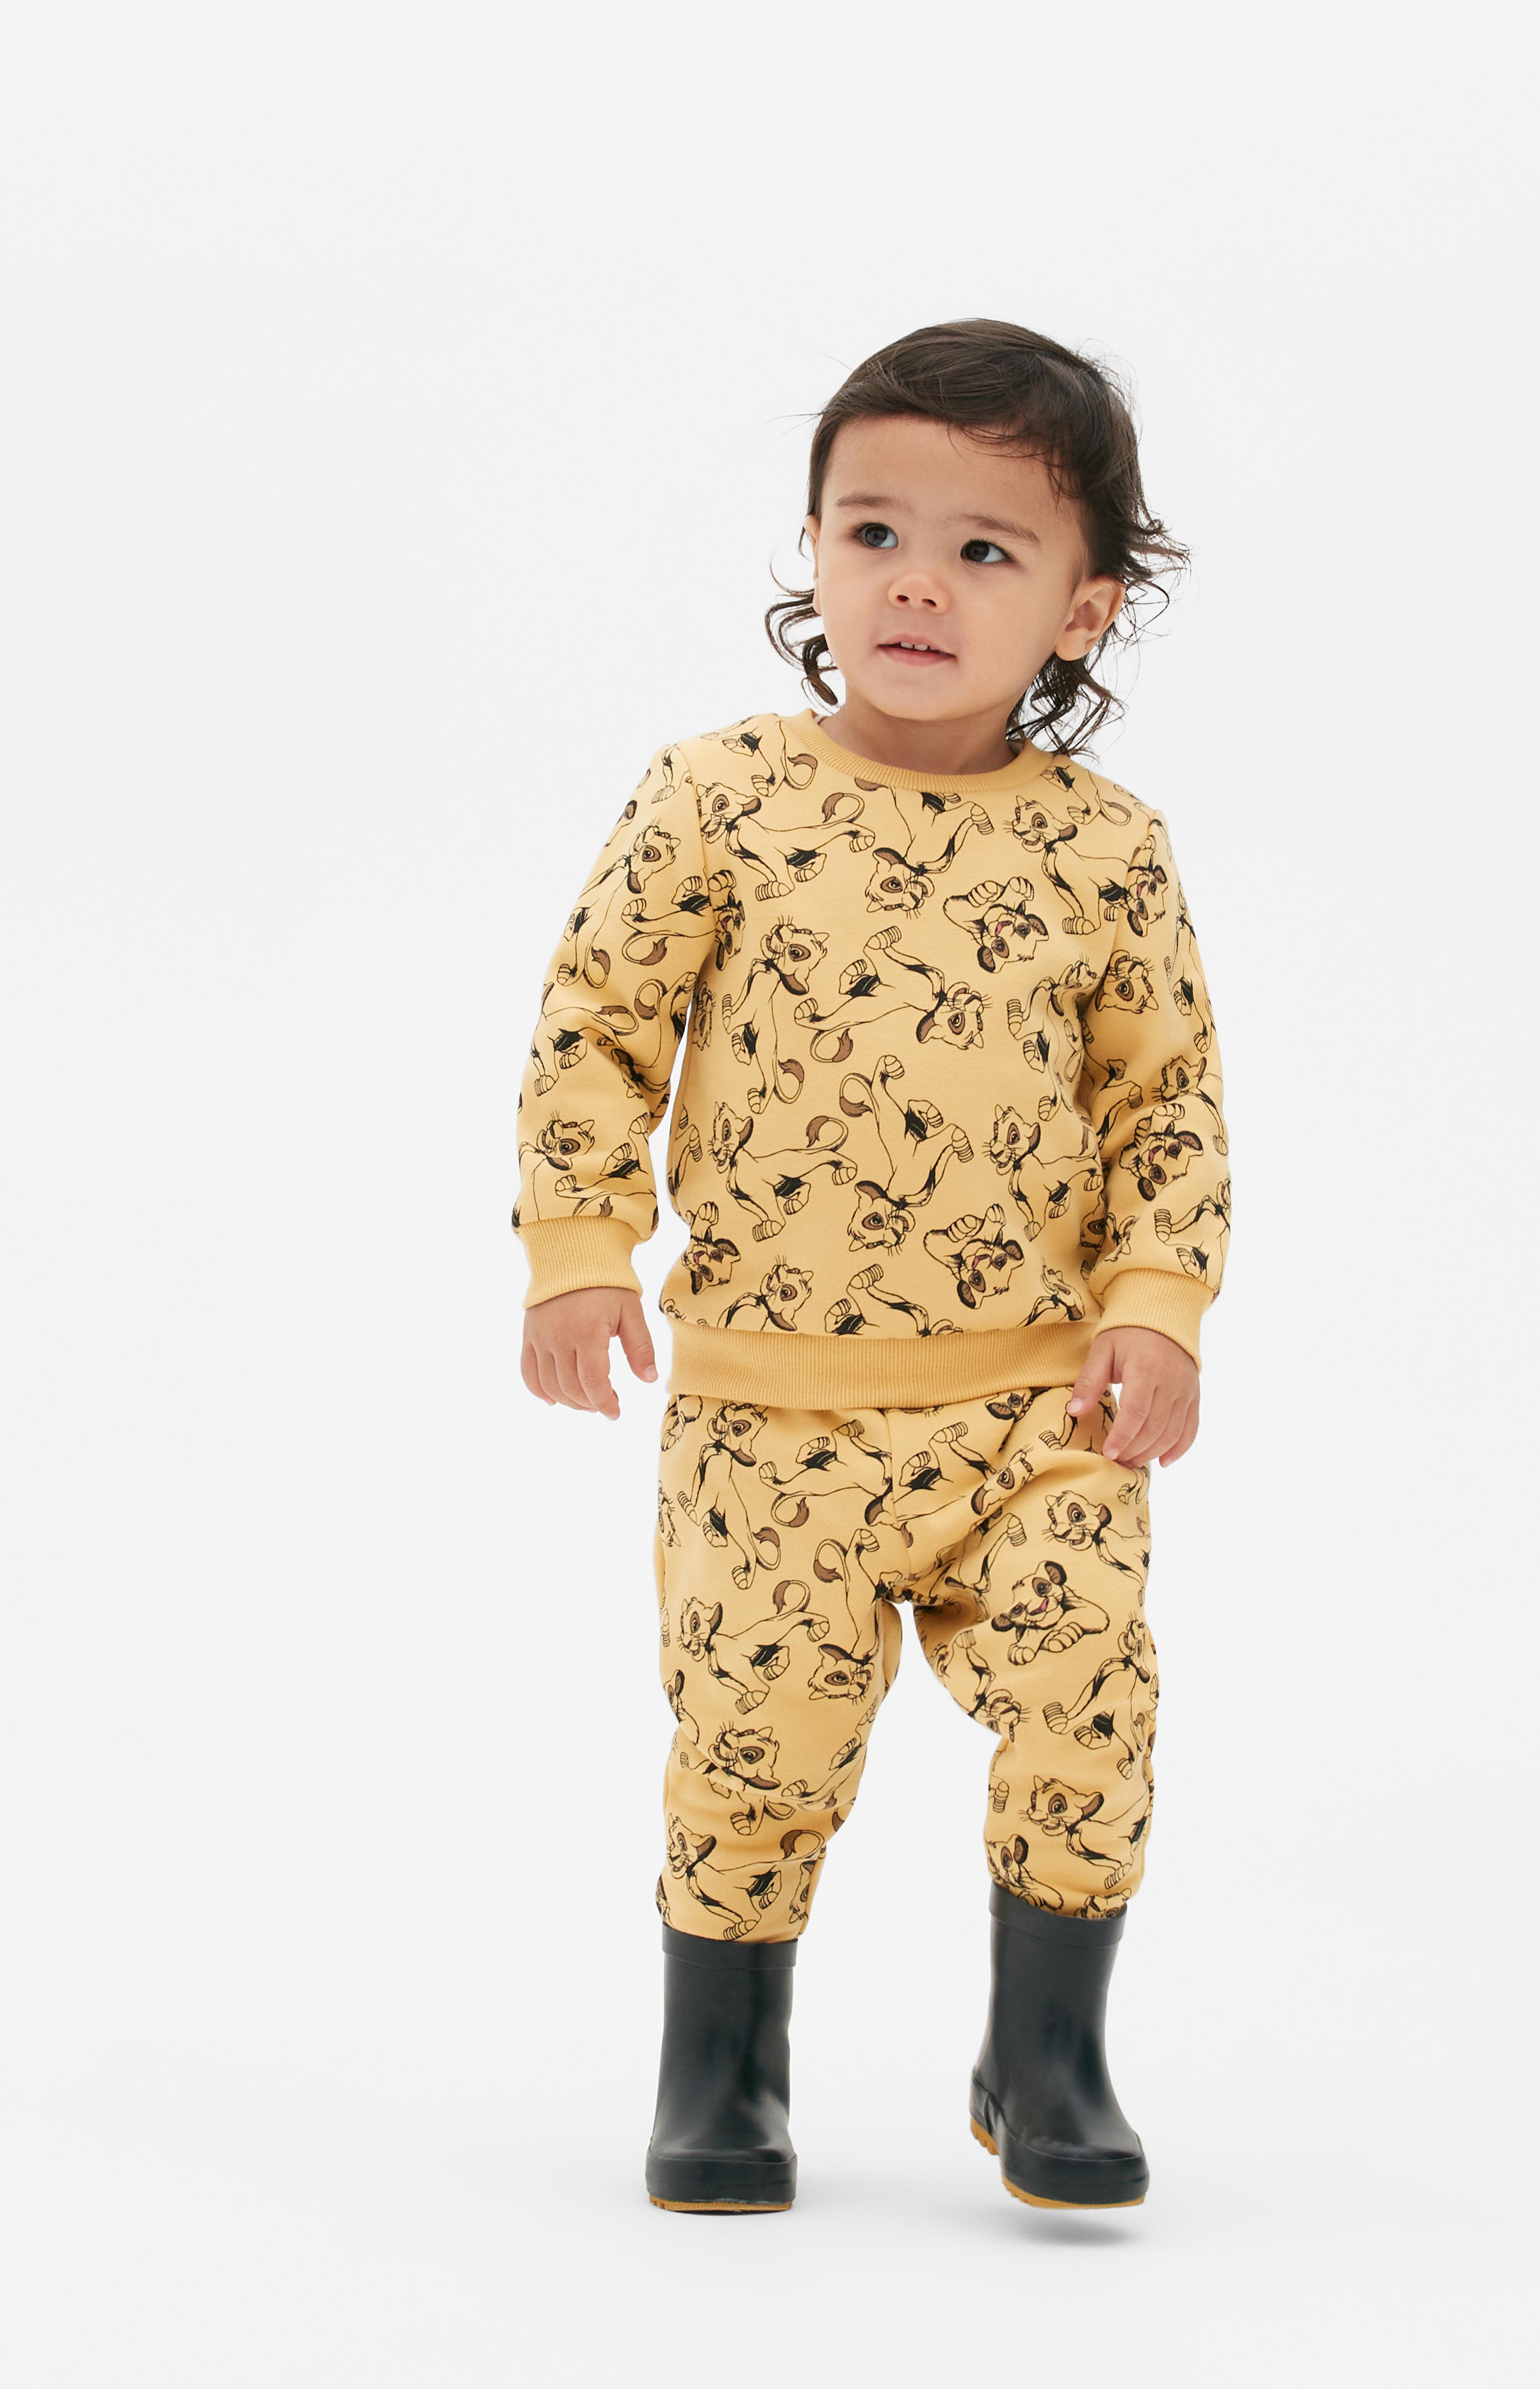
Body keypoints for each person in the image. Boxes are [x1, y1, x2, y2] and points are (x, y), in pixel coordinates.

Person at [513, 319, 1231, 2214]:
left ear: (1083, 609)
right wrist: (580, 1249)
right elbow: (597, 1026)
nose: (918, 582)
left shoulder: (1107, 851)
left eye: (986, 549)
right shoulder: (717, 796)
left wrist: (1158, 1309)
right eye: (873, 532)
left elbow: (1166, 1102)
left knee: (1092, 1698)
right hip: (772, 1420)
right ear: (815, 550)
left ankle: (1048, 2055)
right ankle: (722, 2074)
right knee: (756, 1743)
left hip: (1036, 1410)